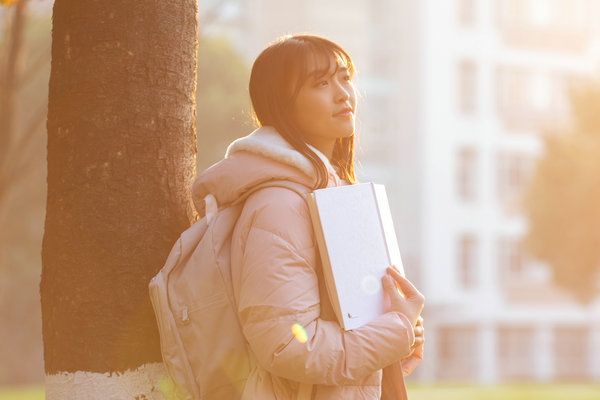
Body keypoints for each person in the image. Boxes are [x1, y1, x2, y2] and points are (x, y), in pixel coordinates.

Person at [192, 34, 425, 400]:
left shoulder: (332, 196)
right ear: (282, 104)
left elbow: (348, 323)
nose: (342, 93)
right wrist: (396, 328)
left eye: (345, 77)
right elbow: (287, 346)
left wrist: (398, 328)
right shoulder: (280, 205)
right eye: (320, 83)